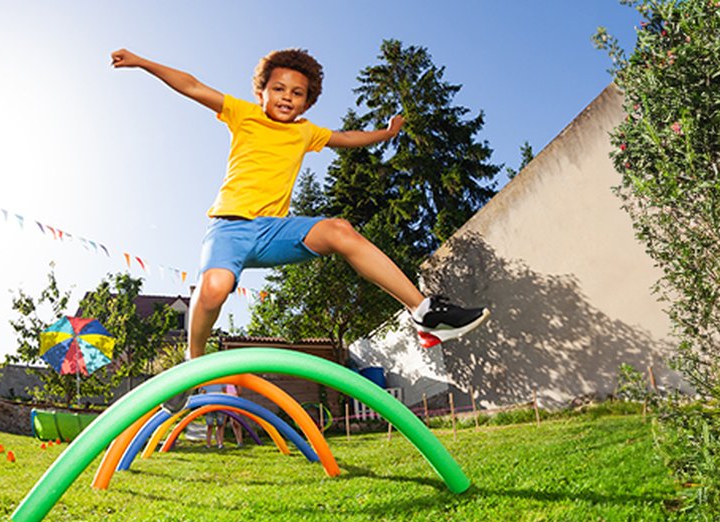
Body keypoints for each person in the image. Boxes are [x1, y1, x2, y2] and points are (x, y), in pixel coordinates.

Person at [110, 48, 489, 363]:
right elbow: (192, 86)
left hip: (275, 230)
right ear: (261, 92)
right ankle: (193, 362)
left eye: (297, 93)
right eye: (278, 89)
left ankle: (424, 312)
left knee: (340, 230)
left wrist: (386, 133)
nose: (286, 97)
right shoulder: (244, 114)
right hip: (229, 227)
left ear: (307, 102)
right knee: (215, 287)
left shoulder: (305, 132)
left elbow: (348, 138)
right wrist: (143, 62)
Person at [199, 383, 226, 449]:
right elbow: (201, 392)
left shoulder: (221, 381)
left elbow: (224, 391)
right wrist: (203, 393)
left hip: (219, 405)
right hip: (209, 405)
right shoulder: (205, 381)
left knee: (220, 424)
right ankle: (208, 444)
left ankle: (220, 444)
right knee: (209, 425)